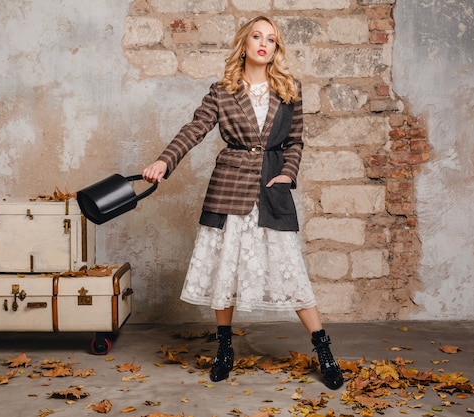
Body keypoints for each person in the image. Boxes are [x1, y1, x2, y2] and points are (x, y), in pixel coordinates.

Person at [142, 16, 344, 390]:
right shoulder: (221, 91)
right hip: (228, 186)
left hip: (272, 188)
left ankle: (324, 349)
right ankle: (224, 349)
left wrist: (288, 174)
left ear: (276, 48)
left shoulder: (289, 89)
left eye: (271, 38)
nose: (263, 43)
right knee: (226, 268)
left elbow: (294, 141)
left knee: (291, 269)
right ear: (245, 43)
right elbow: (194, 129)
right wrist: (164, 161)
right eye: (257, 36)